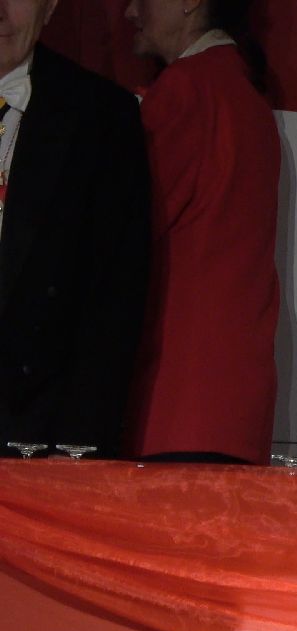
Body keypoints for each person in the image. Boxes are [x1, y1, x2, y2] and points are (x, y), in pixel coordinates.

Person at [125, 0, 281, 465]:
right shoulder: (246, 93)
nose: (130, 11)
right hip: (236, 407)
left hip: (176, 400)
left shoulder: (186, 89)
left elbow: (128, 237)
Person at [0, 0, 150, 457]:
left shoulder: (101, 119)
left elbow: (113, 310)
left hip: (33, 448)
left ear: (50, 6)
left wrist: (76, 459)